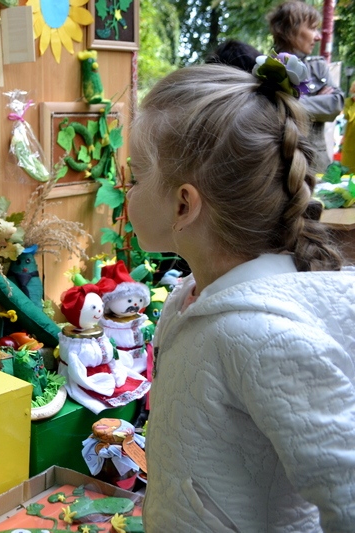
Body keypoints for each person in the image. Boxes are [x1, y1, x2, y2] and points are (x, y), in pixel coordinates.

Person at [128, 60, 355, 532]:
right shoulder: (191, 296)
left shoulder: (265, 337)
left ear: (183, 205)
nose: (124, 190)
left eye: (133, 175)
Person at [269, 0, 344, 174]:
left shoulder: (318, 67)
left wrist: (288, 103)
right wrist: (317, 101)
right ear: (290, 30)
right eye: (312, 28)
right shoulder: (267, 70)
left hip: (317, 163)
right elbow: (267, 111)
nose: (318, 37)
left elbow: (336, 103)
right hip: (280, 166)